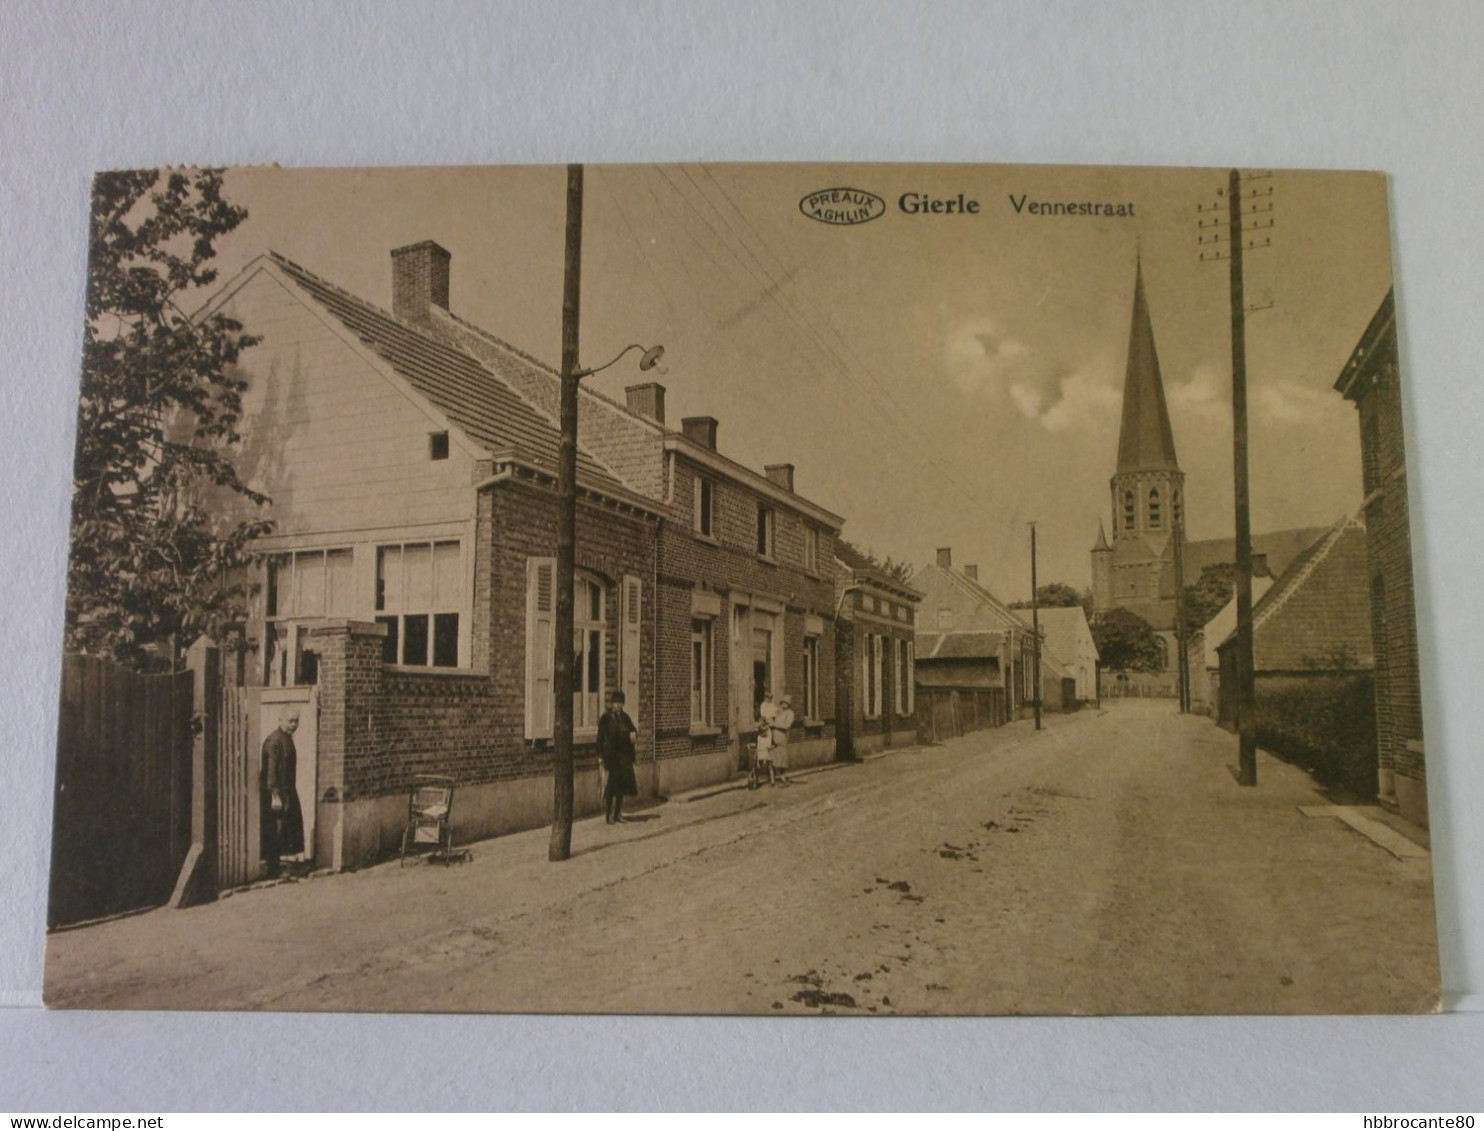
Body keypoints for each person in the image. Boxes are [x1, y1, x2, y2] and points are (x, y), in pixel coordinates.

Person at [259, 709, 304, 878]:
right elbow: (271, 770)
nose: (294, 725)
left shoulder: (287, 739)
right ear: (280, 720)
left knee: (286, 828)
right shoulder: (274, 741)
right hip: (276, 793)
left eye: (296, 721)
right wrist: (274, 794)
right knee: (275, 830)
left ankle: (278, 867)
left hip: (287, 791)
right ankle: (272, 869)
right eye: (291, 721)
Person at [598, 690, 638, 824]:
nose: (617, 705)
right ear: (612, 704)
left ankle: (618, 813)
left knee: (621, 786)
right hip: (611, 757)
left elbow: (633, 730)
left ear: (623, 704)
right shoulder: (606, 718)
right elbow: (599, 738)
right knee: (611, 787)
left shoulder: (625, 717)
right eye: (615, 703)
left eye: (620, 703)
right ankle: (609, 814)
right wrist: (600, 755)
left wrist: (633, 734)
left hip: (623, 757)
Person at [770, 696, 796, 785]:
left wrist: (774, 724)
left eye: (785, 703)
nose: (783, 704)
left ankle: (783, 776)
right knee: (773, 758)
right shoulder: (779, 712)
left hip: (782, 738)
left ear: (788, 704)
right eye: (782, 703)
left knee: (782, 758)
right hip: (774, 738)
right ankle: (773, 778)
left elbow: (786, 726)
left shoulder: (790, 713)